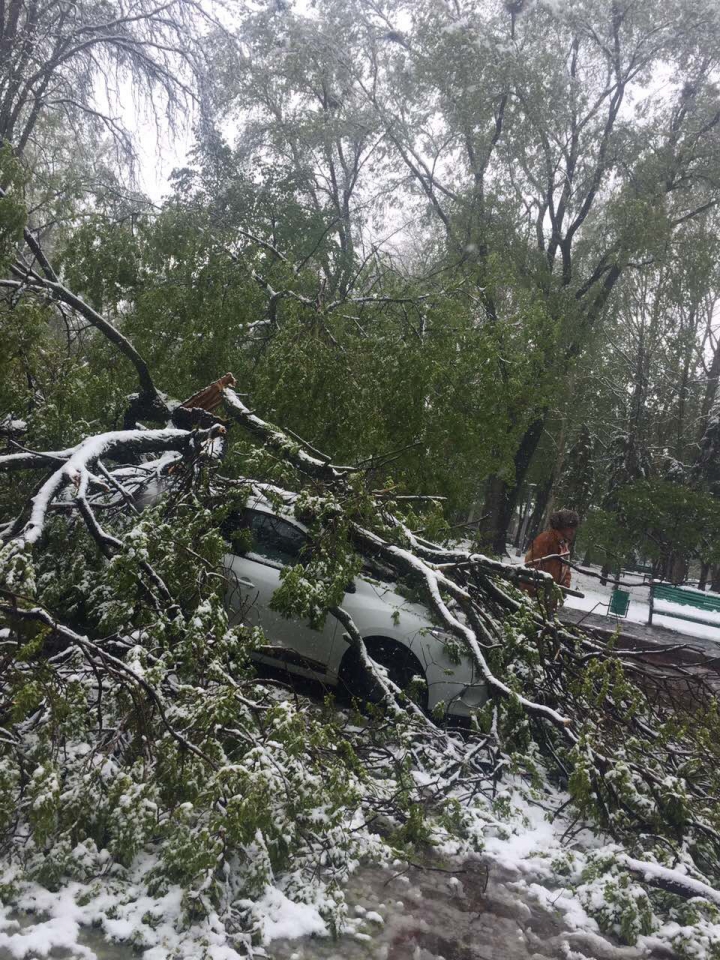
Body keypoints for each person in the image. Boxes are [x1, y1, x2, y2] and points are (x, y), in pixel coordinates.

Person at [522, 508, 579, 604]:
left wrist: (564, 587)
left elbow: (566, 570)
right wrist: (534, 594)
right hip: (536, 598)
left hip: (549, 598)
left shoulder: (564, 545)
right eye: (569, 527)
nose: (572, 531)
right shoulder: (546, 540)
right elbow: (532, 567)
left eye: (574, 528)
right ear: (560, 526)